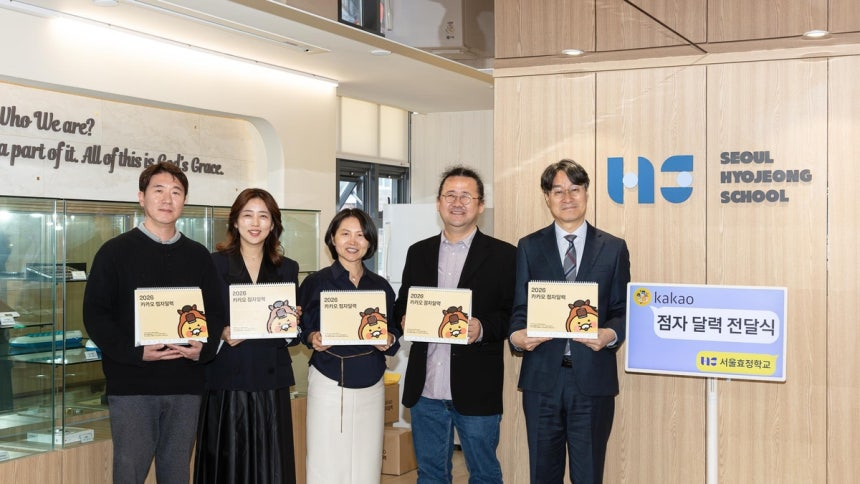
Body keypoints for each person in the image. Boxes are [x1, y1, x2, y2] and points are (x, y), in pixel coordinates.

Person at [83, 162, 225, 484]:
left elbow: (216, 312)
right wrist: (135, 352)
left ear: (184, 200)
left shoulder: (198, 255)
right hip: (132, 385)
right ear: (141, 197)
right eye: (158, 190)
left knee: (176, 473)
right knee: (129, 473)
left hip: (185, 385)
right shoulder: (114, 252)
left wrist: (202, 350)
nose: (167, 199)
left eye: (176, 192)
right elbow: (95, 314)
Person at [509, 159, 630, 484]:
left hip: (592, 379)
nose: (567, 198)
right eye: (558, 191)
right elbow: (520, 308)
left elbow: (623, 309)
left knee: (588, 474)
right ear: (547, 197)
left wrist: (610, 334)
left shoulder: (613, 248)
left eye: (575, 189)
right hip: (541, 380)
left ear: (586, 193)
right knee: (542, 474)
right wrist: (516, 337)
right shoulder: (529, 246)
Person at [393, 166, 515, 483]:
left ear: (480, 205)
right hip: (426, 389)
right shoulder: (418, 252)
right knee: (431, 475)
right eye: (450, 195)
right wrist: (404, 318)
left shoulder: (504, 256)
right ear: (438, 203)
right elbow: (402, 304)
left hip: (477, 387)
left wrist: (482, 328)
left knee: (484, 474)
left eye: (466, 196)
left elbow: (513, 314)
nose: (457, 203)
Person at [194, 188, 300, 483]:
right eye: (247, 215)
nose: (255, 223)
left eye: (263, 216)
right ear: (235, 221)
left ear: (273, 224)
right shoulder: (213, 264)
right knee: (228, 464)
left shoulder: (287, 268)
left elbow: (292, 336)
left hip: (270, 381)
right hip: (227, 381)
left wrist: (293, 324)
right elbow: (199, 320)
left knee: (271, 465)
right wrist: (221, 333)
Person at [297, 208, 401, 483]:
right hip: (329, 380)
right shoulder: (315, 282)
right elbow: (299, 326)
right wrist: (312, 337)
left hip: (371, 381)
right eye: (345, 234)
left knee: (367, 461)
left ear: (370, 242)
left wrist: (389, 339)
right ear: (333, 238)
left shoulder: (380, 286)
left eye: (360, 235)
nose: (353, 241)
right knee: (326, 461)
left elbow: (394, 329)